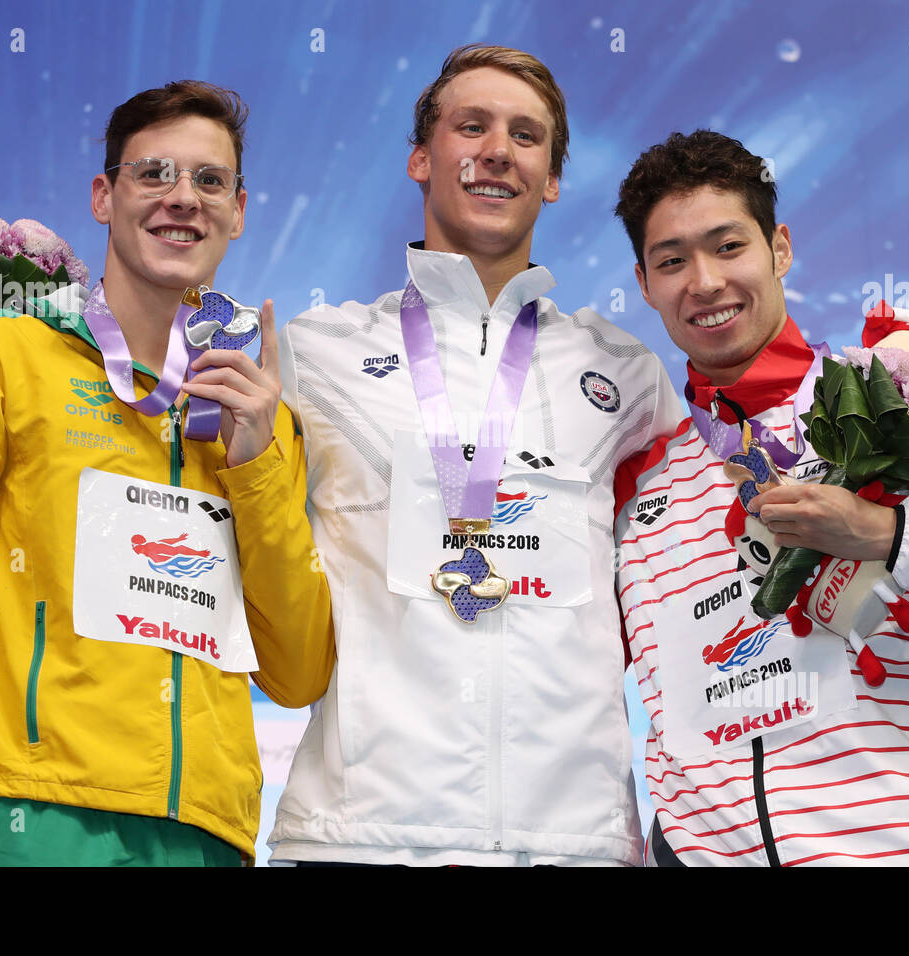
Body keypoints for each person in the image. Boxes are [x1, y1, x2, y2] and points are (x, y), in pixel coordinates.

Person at [0, 80, 333, 867]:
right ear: (104, 196)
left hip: (210, 834)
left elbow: (300, 672)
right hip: (29, 815)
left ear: (239, 210)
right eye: (153, 174)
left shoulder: (256, 418)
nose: (183, 199)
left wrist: (258, 464)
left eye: (209, 181)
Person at [612, 130, 909, 866]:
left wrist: (890, 533)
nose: (705, 282)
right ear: (645, 283)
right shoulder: (646, 482)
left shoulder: (902, 397)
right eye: (672, 260)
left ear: (779, 248)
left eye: (728, 246)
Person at [270, 45, 683, 865]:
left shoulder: (626, 376)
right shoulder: (316, 352)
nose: (499, 149)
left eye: (527, 135)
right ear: (422, 160)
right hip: (361, 838)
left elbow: (694, 569)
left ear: (553, 178)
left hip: (576, 842)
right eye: (472, 126)